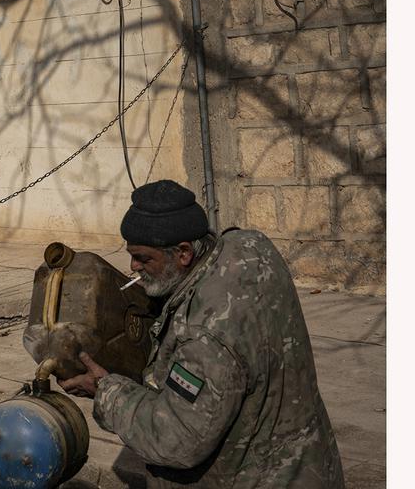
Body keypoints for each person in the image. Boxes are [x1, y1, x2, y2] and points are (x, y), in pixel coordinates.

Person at [59, 180, 344, 488]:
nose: (133, 266)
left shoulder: (205, 339)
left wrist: (106, 391)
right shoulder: (248, 245)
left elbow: (176, 440)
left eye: (144, 258)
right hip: (308, 466)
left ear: (183, 254)